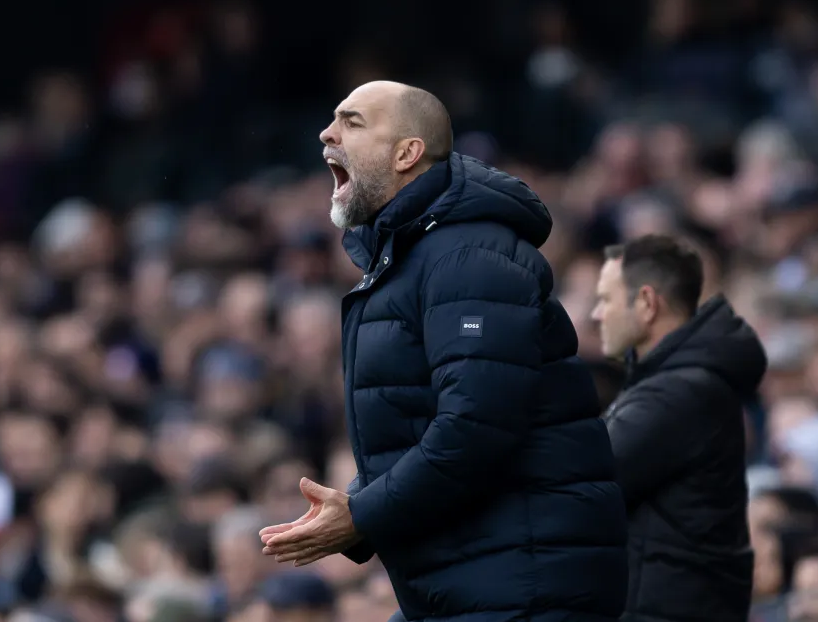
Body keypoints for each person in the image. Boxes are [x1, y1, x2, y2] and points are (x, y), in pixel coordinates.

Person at [260, 80, 628, 621]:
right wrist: (353, 510)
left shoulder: (468, 255)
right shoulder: (410, 257)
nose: (327, 132)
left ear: (407, 153)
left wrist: (362, 516)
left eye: (352, 122)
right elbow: (419, 426)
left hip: (527, 582)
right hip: (473, 575)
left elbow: (477, 426)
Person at [591, 235, 767, 622]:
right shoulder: (678, 384)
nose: (596, 314)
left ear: (648, 303)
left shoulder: (677, 394)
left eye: (606, 299)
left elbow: (581, 481)